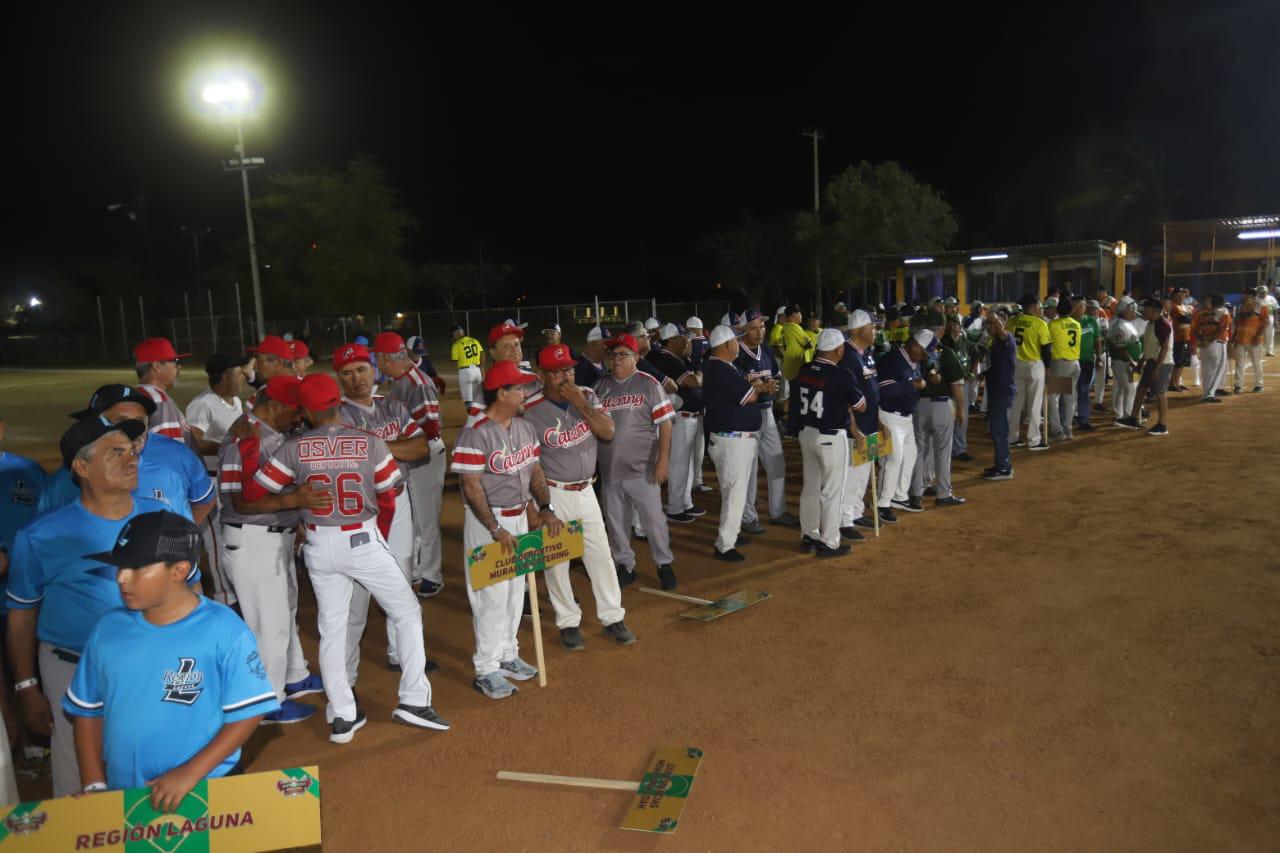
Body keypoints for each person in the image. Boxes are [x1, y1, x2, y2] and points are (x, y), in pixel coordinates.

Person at [255, 374, 448, 741]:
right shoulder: (369, 442)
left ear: (307, 410)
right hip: (362, 539)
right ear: (337, 403)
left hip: (318, 544)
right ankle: (413, 700)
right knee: (406, 612)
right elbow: (389, 490)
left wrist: (297, 500)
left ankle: (342, 715)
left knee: (333, 629)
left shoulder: (294, 447)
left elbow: (262, 489)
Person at [62, 511, 278, 805]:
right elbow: (88, 710)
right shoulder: (107, 629)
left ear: (179, 570)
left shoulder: (224, 629)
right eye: (121, 566)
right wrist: (94, 784)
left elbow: (249, 712)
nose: (122, 578)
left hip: (203, 785)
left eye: (136, 568)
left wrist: (191, 771)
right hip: (123, 790)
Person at [6, 417, 173, 795]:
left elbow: (190, 591)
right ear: (82, 467)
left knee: (158, 769)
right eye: (116, 453)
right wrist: (27, 686)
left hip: (154, 662)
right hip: (72, 667)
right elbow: (21, 616)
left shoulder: (163, 521)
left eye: (131, 451)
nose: (131, 459)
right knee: (79, 779)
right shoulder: (40, 535)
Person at [218, 376, 330, 725]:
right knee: (269, 625)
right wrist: (292, 501)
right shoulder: (244, 438)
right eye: (296, 411)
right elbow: (238, 501)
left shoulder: (270, 433)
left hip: (274, 539)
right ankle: (267, 701)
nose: (299, 418)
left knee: (285, 613)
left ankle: (294, 676)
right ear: (276, 405)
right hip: (253, 540)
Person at [452, 361, 564, 699]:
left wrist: (545, 507)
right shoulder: (475, 432)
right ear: (501, 393)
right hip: (488, 522)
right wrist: (494, 527)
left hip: (518, 518)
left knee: (517, 591)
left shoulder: (524, 427)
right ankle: (486, 668)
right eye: (519, 388)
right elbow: (471, 486)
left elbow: (534, 471)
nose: (526, 393)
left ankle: (507, 653)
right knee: (491, 597)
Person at [525, 344, 633, 650]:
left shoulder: (588, 395)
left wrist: (581, 404)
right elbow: (528, 463)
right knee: (556, 561)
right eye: (557, 371)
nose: (566, 376)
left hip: (586, 491)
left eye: (569, 369)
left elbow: (608, 431)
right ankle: (568, 621)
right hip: (554, 492)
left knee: (600, 555)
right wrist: (538, 504)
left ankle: (612, 616)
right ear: (542, 375)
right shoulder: (530, 409)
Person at [333, 343, 432, 677]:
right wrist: (394, 448)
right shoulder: (336, 416)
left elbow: (421, 447)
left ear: (373, 370)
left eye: (361, 369)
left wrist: (373, 446)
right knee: (356, 594)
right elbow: (347, 462)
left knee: (401, 578)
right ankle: (346, 677)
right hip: (359, 510)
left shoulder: (392, 406)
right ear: (339, 378)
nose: (356, 378)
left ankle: (400, 654)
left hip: (397, 500)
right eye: (347, 373)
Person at [40, 386, 216, 528]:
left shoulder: (177, 456)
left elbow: (204, 501)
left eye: (140, 421)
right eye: (121, 421)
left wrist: (175, 543)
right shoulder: (69, 475)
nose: (134, 429)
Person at [593, 333, 677, 589]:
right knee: (616, 522)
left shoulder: (649, 384)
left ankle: (663, 563)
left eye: (623, 354)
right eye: (613, 354)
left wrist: (663, 461)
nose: (616, 359)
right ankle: (625, 564)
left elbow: (665, 425)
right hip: (610, 470)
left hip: (643, 468)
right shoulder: (600, 386)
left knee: (653, 520)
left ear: (636, 357)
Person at [374, 332, 449, 599]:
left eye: (376, 357)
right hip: (411, 454)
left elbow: (430, 427)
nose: (375, 363)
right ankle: (416, 569)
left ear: (385, 358)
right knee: (414, 517)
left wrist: (399, 442)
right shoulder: (401, 381)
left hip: (426, 453)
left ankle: (431, 575)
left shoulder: (417, 382)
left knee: (426, 518)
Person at [787, 328, 863, 557]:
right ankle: (829, 542)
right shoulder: (841, 375)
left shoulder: (804, 370)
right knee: (832, 491)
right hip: (830, 438)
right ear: (838, 350)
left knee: (810, 488)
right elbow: (861, 405)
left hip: (806, 435)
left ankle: (809, 535)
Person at [702, 325, 770, 562]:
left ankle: (731, 534)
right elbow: (749, 396)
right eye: (735, 341)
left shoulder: (720, 367)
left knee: (733, 493)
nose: (738, 345)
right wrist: (759, 387)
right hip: (731, 441)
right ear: (725, 345)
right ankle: (725, 545)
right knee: (734, 494)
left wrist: (756, 387)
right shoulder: (720, 368)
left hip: (731, 439)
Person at [735, 311, 798, 532]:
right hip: (746, 415)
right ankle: (748, 516)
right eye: (753, 327)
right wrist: (757, 385)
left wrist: (771, 385)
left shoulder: (767, 350)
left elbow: (776, 375)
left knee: (776, 463)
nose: (759, 331)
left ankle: (778, 511)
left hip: (767, 412)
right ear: (743, 329)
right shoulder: (736, 352)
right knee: (750, 469)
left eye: (762, 326)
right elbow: (735, 385)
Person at [649, 324, 705, 523]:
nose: (688, 341)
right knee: (679, 465)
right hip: (679, 418)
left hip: (688, 417)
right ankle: (674, 507)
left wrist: (697, 376)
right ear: (672, 340)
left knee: (686, 464)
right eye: (684, 338)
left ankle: (685, 502)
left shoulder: (679, 359)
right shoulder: (666, 358)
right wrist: (698, 377)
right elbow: (694, 381)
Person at [874, 329, 929, 522]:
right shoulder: (892, 360)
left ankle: (899, 496)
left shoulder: (914, 360)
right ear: (914, 346)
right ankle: (882, 502)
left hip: (906, 419)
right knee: (893, 459)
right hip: (889, 416)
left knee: (910, 455)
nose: (925, 356)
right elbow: (882, 389)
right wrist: (911, 385)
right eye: (923, 352)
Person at [909, 325, 966, 508]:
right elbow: (956, 385)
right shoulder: (947, 353)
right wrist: (961, 409)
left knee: (919, 451)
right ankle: (943, 493)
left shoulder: (911, 352)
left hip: (919, 406)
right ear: (940, 331)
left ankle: (916, 492)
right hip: (941, 405)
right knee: (942, 452)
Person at [838, 310, 879, 536]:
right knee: (852, 475)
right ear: (858, 330)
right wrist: (853, 429)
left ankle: (855, 511)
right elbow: (844, 396)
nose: (875, 330)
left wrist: (879, 421)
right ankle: (844, 520)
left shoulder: (866, 353)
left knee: (864, 473)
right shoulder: (847, 356)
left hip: (870, 423)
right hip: (856, 428)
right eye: (872, 326)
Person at [1115, 298, 1173, 435]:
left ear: (1155, 311)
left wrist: (1157, 369)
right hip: (1151, 362)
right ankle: (1133, 419)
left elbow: (1165, 348)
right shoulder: (1150, 324)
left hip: (1161, 363)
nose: (1143, 312)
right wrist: (1140, 364)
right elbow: (1148, 349)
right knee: (1141, 389)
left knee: (1160, 393)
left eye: (1146, 310)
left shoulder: (1162, 325)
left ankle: (1162, 425)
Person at [1006, 293, 1052, 451]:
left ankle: (1012, 437)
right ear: (1032, 306)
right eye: (1038, 305)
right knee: (1034, 404)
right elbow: (1046, 349)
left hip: (1016, 366)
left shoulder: (1012, 321)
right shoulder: (1040, 323)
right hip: (1034, 365)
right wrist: (1048, 368)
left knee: (1015, 403)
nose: (1040, 308)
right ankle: (1033, 440)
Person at [186, 354, 247, 461]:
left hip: (230, 467)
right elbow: (194, 442)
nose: (244, 377)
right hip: (211, 470)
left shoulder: (236, 401)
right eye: (240, 373)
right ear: (226, 377)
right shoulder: (202, 404)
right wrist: (231, 448)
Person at [980, 309, 1017, 480]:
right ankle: (1000, 464)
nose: (989, 326)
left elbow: (1002, 331)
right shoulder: (994, 342)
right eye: (987, 324)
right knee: (996, 431)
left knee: (1000, 431)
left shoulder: (1007, 339)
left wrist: (995, 319)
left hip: (1003, 391)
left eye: (992, 324)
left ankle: (1004, 468)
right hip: (995, 391)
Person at [133, 338, 192, 443]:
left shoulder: (134, 394)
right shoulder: (159, 400)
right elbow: (169, 448)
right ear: (157, 366)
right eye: (175, 361)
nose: (179, 367)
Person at [1047, 297, 1083, 442]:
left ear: (1057, 310)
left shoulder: (1053, 324)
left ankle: (1057, 430)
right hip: (1074, 363)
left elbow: (1047, 344)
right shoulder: (1077, 324)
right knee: (1069, 398)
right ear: (1071, 310)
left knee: (1053, 398)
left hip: (1061, 364)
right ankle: (1068, 429)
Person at [685, 317, 713, 495]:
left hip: (694, 396)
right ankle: (697, 480)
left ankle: (692, 483)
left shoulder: (691, 344)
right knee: (699, 446)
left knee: (691, 449)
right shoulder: (709, 344)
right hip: (705, 398)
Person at [942, 317, 976, 461]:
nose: (953, 326)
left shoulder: (964, 342)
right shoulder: (943, 342)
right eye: (950, 323)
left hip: (963, 383)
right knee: (948, 418)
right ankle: (947, 449)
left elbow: (976, 355)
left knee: (962, 417)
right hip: (946, 385)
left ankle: (959, 449)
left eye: (956, 323)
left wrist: (972, 374)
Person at [1107, 298, 1144, 419]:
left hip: (1132, 363)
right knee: (1130, 389)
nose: (1134, 312)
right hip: (1123, 363)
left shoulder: (1126, 323)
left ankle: (1122, 415)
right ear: (1124, 310)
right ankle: (1128, 417)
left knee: (1127, 389)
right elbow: (1120, 348)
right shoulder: (1119, 326)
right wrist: (1132, 362)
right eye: (1132, 309)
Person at [1192, 293, 1231, 402]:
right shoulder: (1223, 311)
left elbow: (1194, 329)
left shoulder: (1200, 313)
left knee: (1206, 370)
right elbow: (1222, 329)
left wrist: (1201, 340)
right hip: (1217, 343)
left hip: (1204, 345)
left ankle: (1205, 394)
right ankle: (1210, 394)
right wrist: (1209, 340)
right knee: (1218, 369)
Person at [1073, 298, 1101, 431]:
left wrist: (1099, 358)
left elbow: (1097, 340)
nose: (1084, 307)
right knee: (1067, 392)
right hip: (1070, 362)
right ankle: (1068, 418)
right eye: (1081, 305)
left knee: (1084, 391)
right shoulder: (1067, 321)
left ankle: (1083, 420)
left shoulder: (1091, 321)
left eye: (1083, 305)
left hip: (1087, 361)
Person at [1231, 292, 1265, 393]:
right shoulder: (1238, 307)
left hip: (1254, 339)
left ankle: (1259, 384)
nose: (1241, 297)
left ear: (1250, 296)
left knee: (1256, 362)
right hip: (1240, 339)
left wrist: (1258, 336)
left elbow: (1265, 322)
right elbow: (1236, 322)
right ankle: (1238, 385)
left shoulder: (1260, 306)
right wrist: (1234, 335)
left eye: (1244, 295)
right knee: (1239, 363)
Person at [450, 324, 486, 407]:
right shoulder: (474, 340)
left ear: (455, 334)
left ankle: (471, 414)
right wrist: (482, 367)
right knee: (478, 399)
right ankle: (481, 414)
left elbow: (454, 360)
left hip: (465, 372)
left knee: (468, 402)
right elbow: (482, 354)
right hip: (477, 371)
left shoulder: (456, 344)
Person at [778, 306, 812, 385]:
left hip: (790, 364)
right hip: (797, 365)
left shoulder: (785, 326)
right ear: (794, 314)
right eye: (800, 314)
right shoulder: (793, 326)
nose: (801, 316)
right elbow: (808, 344)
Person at [1168, 288, 1193, 392]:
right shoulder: (1174, 307)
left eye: (1182, 295)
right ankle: (1172, 383)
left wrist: (1190, 314)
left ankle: (1177, 382)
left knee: (1183, 362)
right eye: (1179, 295)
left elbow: (1191, 317)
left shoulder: (1184, 307)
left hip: (1187, 337)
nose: (1181, 297)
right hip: (1178, 337)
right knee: (1177, 362)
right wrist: (1190, 314)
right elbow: (1186, 319)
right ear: (1174, 296)